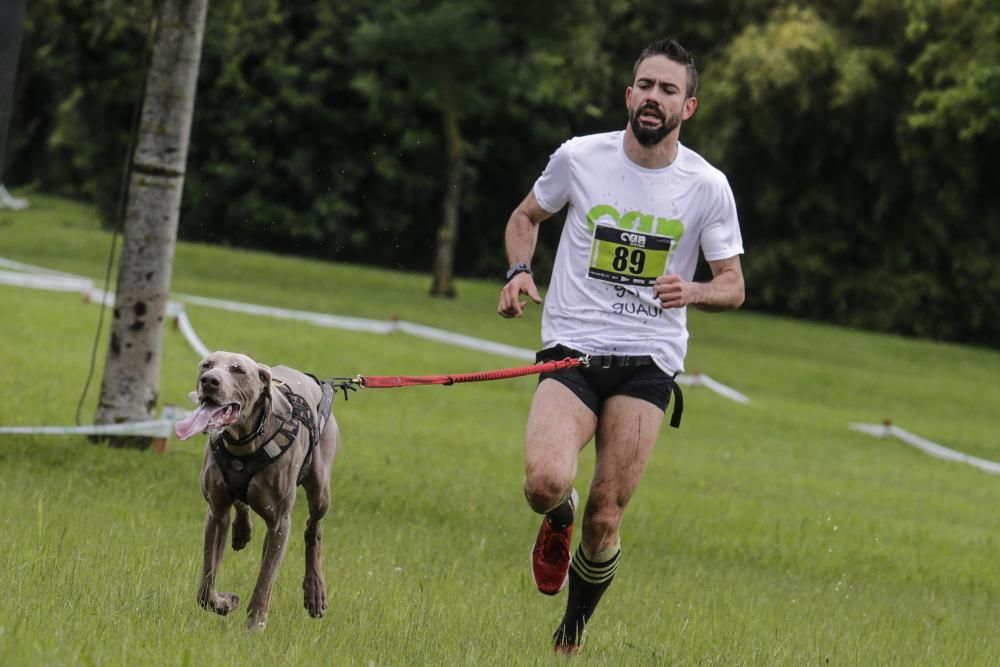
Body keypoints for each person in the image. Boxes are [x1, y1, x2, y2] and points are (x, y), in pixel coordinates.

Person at [496, 38, 745, 653]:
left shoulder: (707, 186)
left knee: (606, 517)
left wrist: (690, 290)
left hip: (647, 361)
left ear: (688, 107)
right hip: (573, 347)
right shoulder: (580, 157)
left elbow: (734, 286)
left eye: (668, 90)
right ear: (628, 94)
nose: (653, 98)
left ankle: (570, 636)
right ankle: (558, 517)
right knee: (543, 481)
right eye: (645, 85)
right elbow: (526, 217)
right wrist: (519, 270)